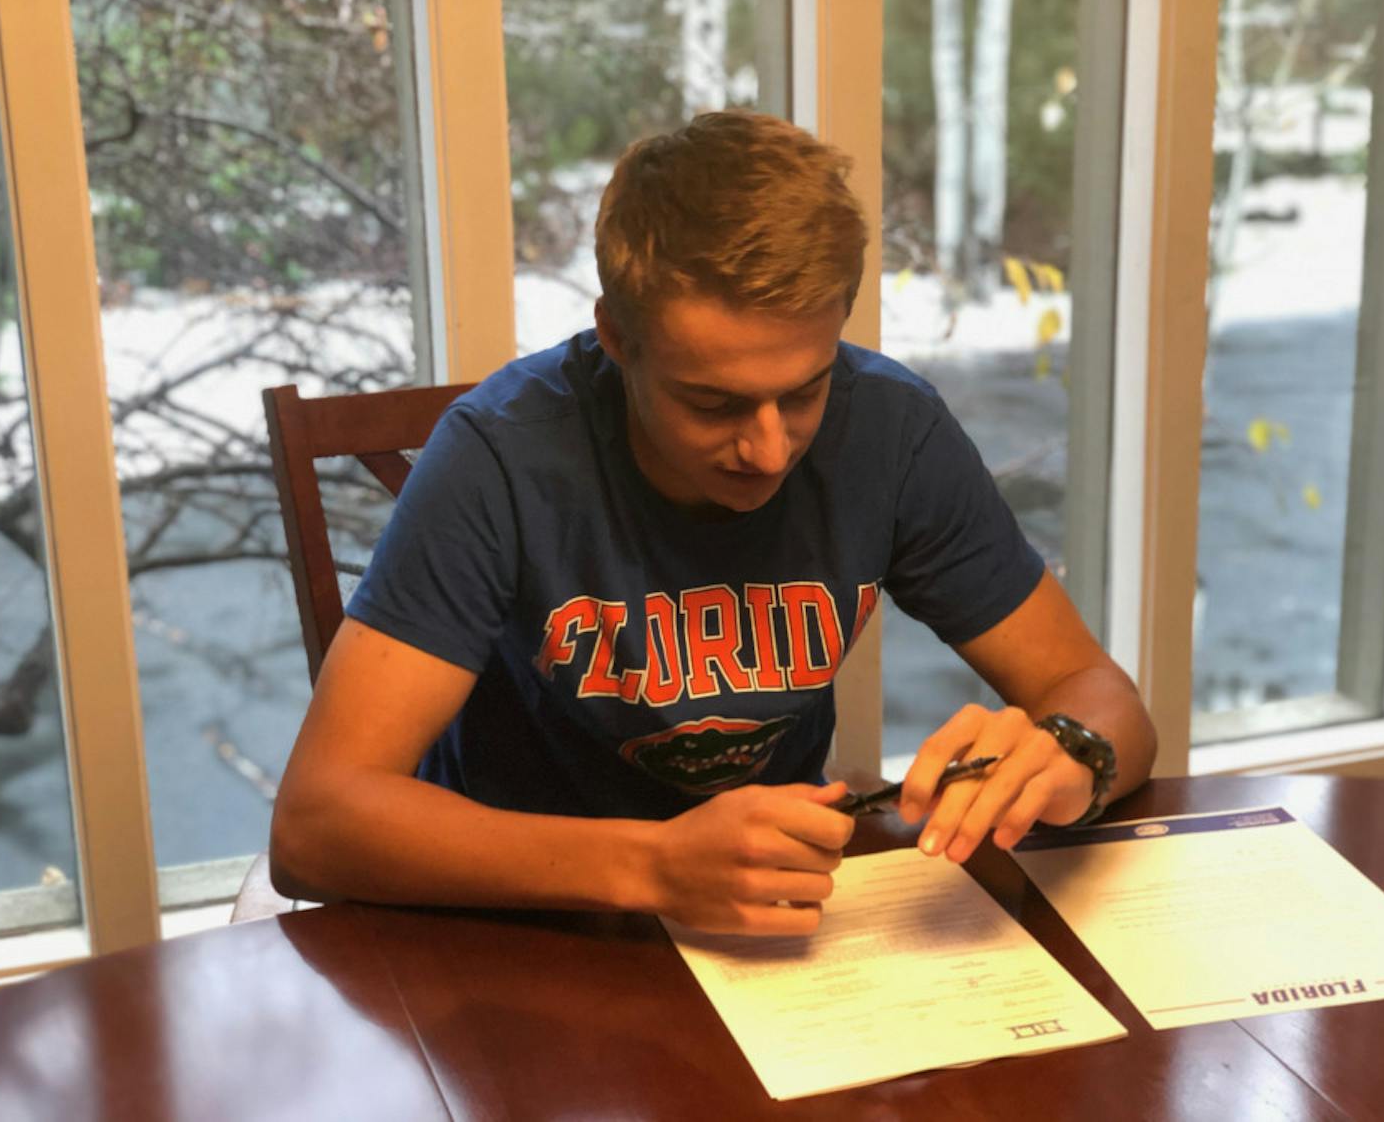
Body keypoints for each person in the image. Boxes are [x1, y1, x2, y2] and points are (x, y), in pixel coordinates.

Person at [269, 110, 1156, 936]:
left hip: (770, 923)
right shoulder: (500, 456)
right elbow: (317, 822)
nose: (769, 450)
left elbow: (1097, 692)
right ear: (616, 339)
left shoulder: (891, 432)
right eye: (712, 402)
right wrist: (654, 866)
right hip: (517, 927)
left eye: (804, 389)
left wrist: (1071, 753)